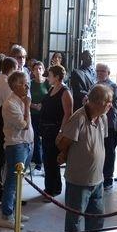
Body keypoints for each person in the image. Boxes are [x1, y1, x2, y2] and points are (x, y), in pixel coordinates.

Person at [57, 84, 113, 232]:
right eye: (108, 102)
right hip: (79, 182)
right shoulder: (79, 118)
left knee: (97, 219)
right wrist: (64, 154)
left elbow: (99, 143)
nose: (111, 105)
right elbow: (62, 143)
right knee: (74, 221)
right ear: (97, 102)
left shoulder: (103, 118)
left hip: (97, 179)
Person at [0, 71, 33, 229]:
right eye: (24, 83)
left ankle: (15, 211)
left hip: (26, 143)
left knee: (19, 181)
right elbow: (24, 125)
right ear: (15, 85)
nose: (27, 86)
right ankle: (6, 215)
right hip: (16, 145)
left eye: (27, 83)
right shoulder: (10, 104)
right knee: (12, 181)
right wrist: (27, 106)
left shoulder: (22, 99)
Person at [40, 65, 74, 198]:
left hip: (56, 129)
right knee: (47, 160)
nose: (47, 78)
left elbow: (68, 114)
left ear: (57, 77)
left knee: (53, 160)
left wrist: (61, 131)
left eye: (50, 75)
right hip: (46, 129)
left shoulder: (65, 92)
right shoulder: (52, 88)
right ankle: (49, 187)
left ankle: (54, 189)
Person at [0, 57, 18, 201]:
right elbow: (12, 106)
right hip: (4, 129)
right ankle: (5, 194)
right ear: (12, 68)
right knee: (5, 163)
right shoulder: (7, 84)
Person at [95, 63, 117, 188]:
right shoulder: (94, 85)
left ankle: (108, 178)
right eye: (98, 71)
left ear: (108, 73)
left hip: (109, 123)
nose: (99, 73)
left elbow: (109, 103)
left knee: (109, 151)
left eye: (102, 71)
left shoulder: (113, 86)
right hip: (96, 123)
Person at [30, 61, 49, 171]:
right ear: (32, 71)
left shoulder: (47, 82)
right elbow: (26, 98)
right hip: (33, 114)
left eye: (40, 68)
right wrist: (34, 105)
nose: (38, 71)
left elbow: (50, 96)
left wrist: (42, 105)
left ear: (43, 70)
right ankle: (38, 162)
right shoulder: (30, 83)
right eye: (36, 69)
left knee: (45, 138)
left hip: (45, 114)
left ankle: (46, 161)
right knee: (36, 138)